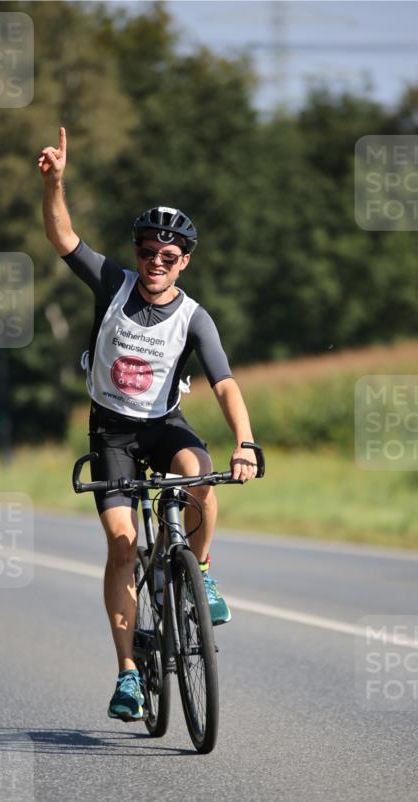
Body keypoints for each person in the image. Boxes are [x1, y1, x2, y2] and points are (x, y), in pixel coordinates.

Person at [38, 127, 258, 723]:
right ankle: (129, 674)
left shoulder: (194, 318)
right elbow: (62, 237)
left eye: (168, 256)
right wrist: (56, 184)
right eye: (146, 252)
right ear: (136, 253)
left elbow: (225, 383)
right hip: (111, 432)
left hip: (164, 425)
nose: (154, 263)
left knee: (200, 477)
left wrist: (245, 442)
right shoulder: (114, 284)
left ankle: (200, 571)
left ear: (185, 261)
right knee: (121, 544)